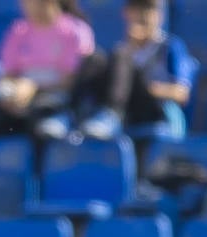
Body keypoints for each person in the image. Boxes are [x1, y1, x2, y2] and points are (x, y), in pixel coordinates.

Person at [44, 0, 196, 141]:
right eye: (137, 10)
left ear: (160, 15)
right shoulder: (124, 49)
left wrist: (147, 88)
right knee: (94, 60)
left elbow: (180, 93)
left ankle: (112, 114)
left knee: (121, 54)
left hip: (155, 111)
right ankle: (70, 113)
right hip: (128, 110)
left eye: (149, 10)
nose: (143, 16)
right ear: (127, 13)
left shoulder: (170, 47)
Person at [0, 0, 94, 139]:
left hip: (57, 101)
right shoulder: (18, 31)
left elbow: (70, 82)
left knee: (42, 123)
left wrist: (34, 88)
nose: (24, 5)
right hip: (20, 100)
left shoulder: (75, 31)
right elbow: (7, 75)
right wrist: (12, 93)